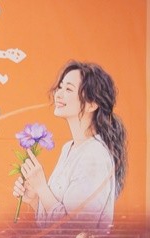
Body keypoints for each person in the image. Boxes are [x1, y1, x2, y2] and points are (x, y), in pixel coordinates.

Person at [13, 61, 128, 229]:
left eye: (68, 89)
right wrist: (35, 199)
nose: (58, 94)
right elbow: (54, 226)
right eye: (60, 87)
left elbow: (75, 229)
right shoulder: (69, 148)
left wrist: (42, 187)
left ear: (92, 104)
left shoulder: (94, 156)